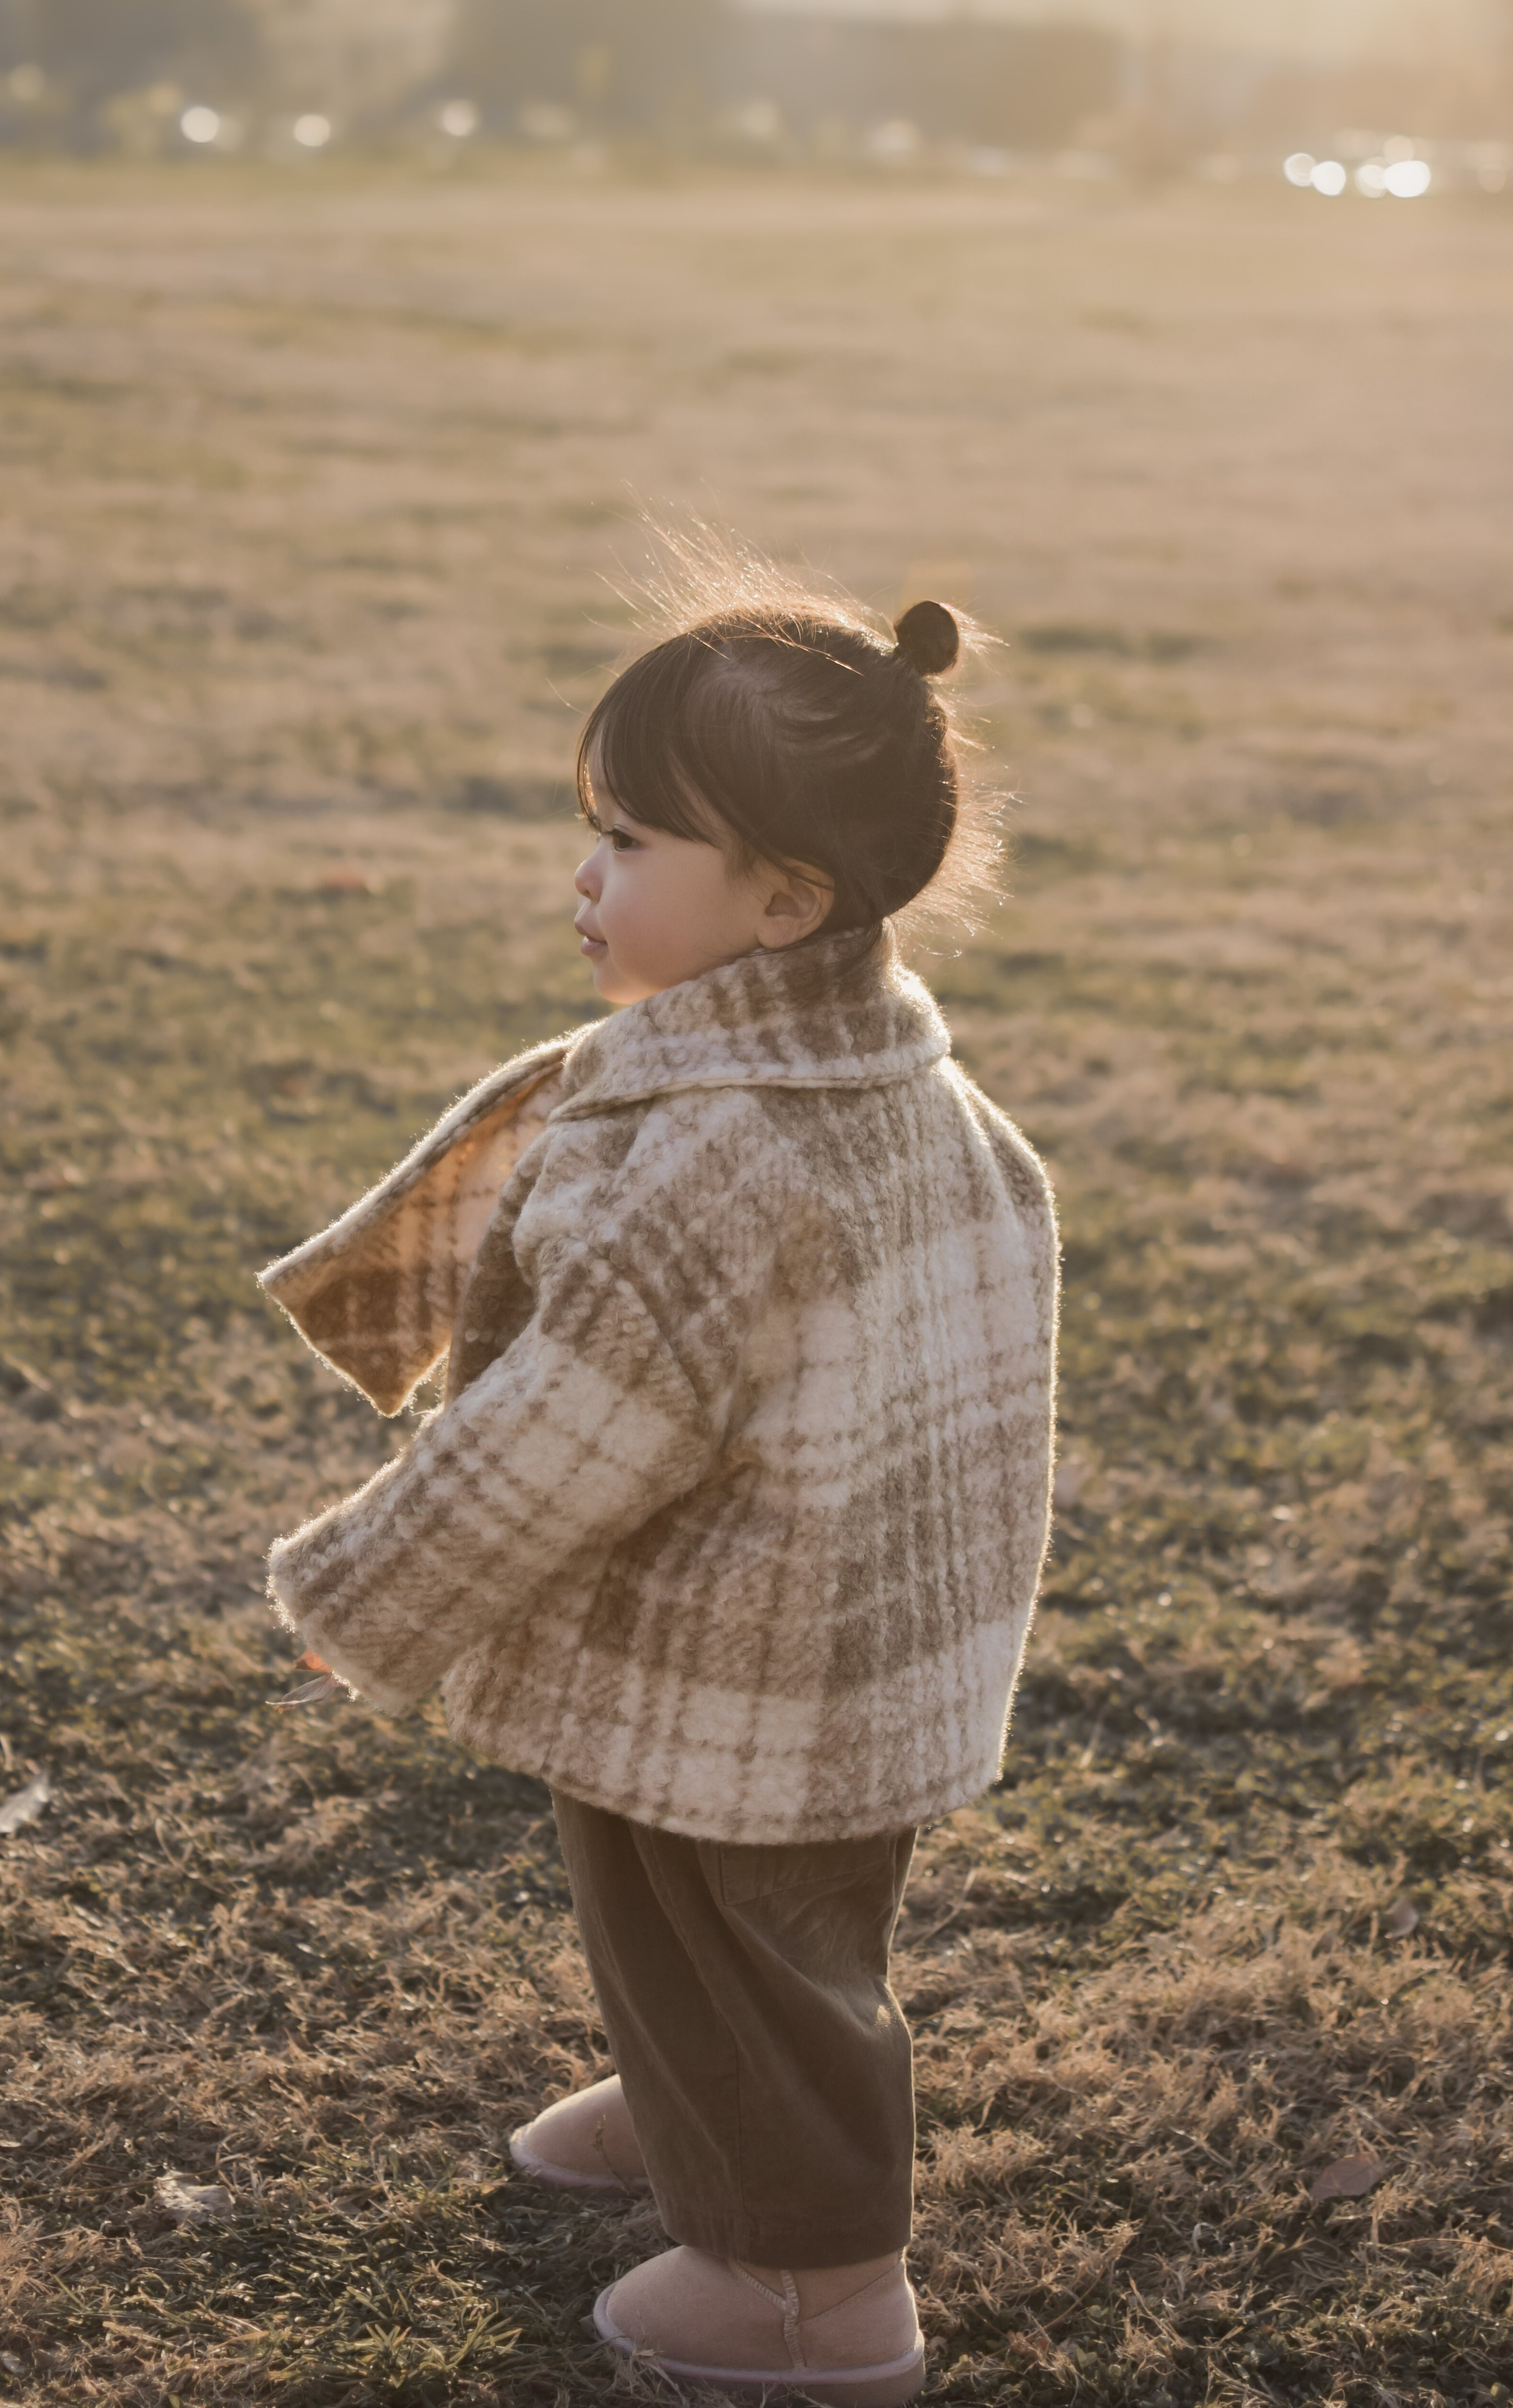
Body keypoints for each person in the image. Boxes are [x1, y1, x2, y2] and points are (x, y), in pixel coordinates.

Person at [259, 550, 1059, 2406]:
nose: (585, 874)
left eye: (628, 840)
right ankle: (703, 2109)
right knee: (712, 1921)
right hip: (839, 1648)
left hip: (744, 1661)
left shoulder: (722, 1163)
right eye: (591, 826)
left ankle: (812, 2288)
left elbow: (559, 1439)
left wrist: (361, 1600)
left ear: (784, 899)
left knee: (753, 1949)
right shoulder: (898, 1090)